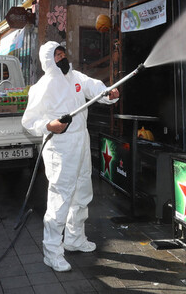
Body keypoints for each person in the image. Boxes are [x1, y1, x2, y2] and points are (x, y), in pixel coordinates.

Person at [22, 41, 120, 272]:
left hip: (81, 140)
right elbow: (28, 121)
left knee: (82, 192)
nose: (62, 56)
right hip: (60, 146)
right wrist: (49, 125)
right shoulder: (41, 87)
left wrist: (110, 94)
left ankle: (75, 238)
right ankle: (52, 251)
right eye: (57, 54)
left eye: (63, 52)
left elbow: (97, 89)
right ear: (48, 60)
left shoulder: (76, 77)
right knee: (61, 197)